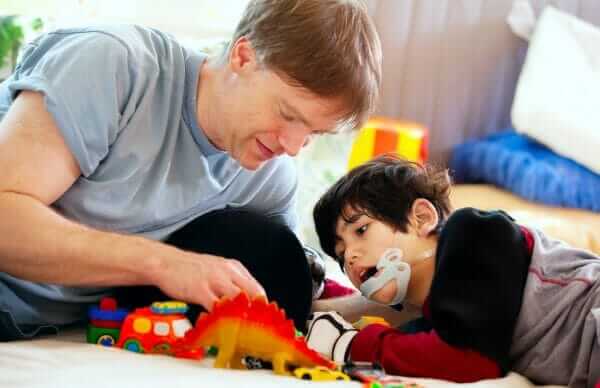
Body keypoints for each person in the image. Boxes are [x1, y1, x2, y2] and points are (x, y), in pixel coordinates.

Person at [0, 0, 382, 340]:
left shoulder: (268, 174)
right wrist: (163, 263)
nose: (293, 147)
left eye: (314, 133)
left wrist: (384, 306)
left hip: (56, 327)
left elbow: (282, 289)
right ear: (244, 57)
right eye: (287, 114)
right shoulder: (114, 66)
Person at [306, 154, 600, 388]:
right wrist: (319, 302)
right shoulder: (433, 314)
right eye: (341, 256)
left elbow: (469, 359)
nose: (351, 258)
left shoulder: (474, 232)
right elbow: (412, 335)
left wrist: (352, 345)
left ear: (422, 218)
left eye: (361, 229)